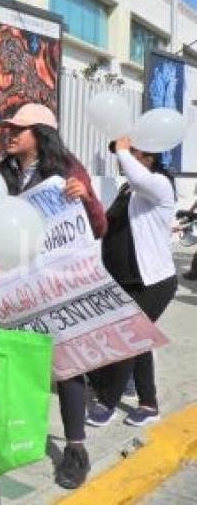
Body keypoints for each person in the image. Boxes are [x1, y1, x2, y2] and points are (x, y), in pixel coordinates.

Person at [0, 103, 107, 490]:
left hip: (59, 285)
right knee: (19, 361)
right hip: (16, 287)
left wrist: (85, 196)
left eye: (19, 129)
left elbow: (98, 225)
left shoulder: (67, 171)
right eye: (9, 128)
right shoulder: (1, 171)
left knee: (69, 367)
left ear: (41, 135)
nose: (10, 134)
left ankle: (75, 449)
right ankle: (18, 431)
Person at [86, 139, 177, 428]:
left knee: (127, 338)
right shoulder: (130, 189)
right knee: (139, 340)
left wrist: (123, 148)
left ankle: (107, 403)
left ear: (147, 158)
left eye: (134, 152)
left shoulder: (160, 184)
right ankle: (148, 405)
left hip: (153, 281)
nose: (123, 158)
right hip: (126, 280)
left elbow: (139, 176)